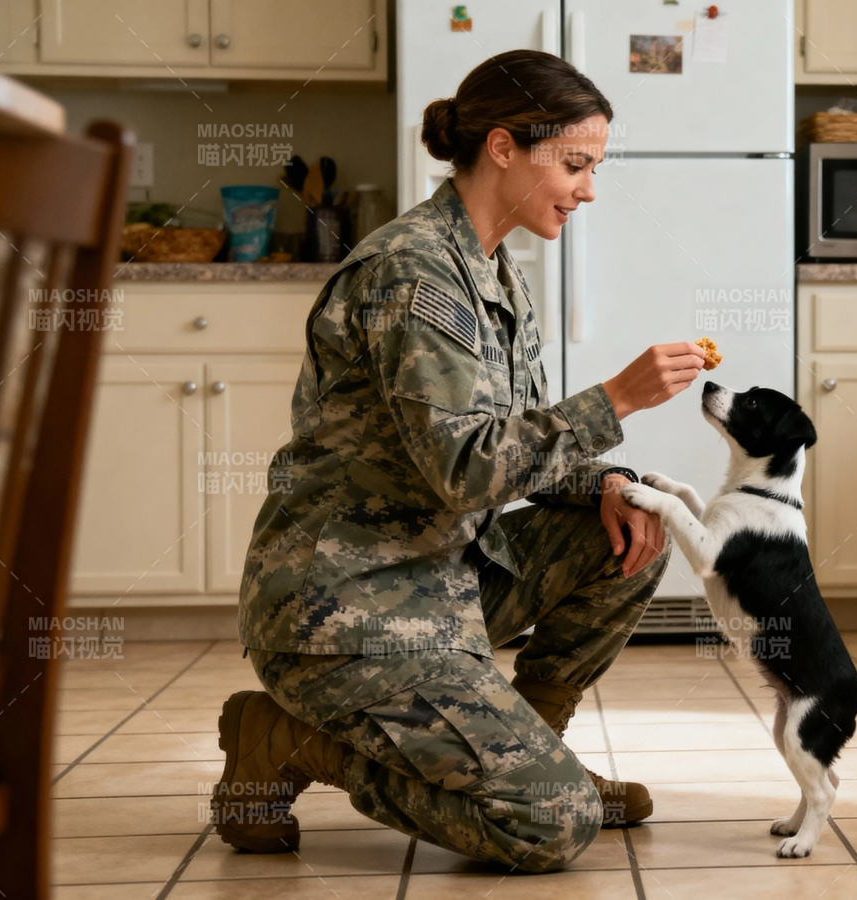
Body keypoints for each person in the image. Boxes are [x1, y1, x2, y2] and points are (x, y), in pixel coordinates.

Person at [211, 49, 708, 874]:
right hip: (346, 614)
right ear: (505, 147)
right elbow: (467, 470)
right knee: (552, 826)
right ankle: (285, 740)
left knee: (637, 518)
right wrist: (614, 399)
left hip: (444, 580)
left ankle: (529, 749)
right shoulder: (413, 275)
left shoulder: (495, 274)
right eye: (576, 165)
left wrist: (610, 483)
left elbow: (518, 450)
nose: (589, 189)